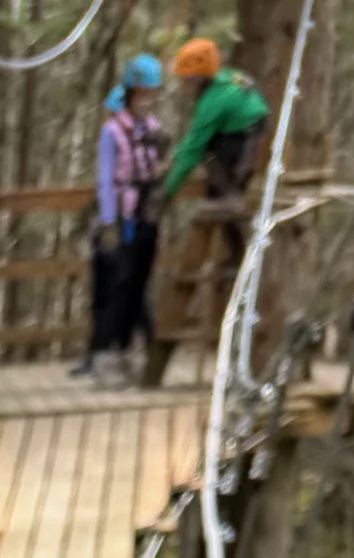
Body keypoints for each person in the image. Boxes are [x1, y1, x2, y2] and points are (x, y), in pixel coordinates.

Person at [83, 55, 168, 382]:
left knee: (139, 287)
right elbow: (106, 179)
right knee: (119, 286)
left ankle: (129, 352)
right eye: (143, 94)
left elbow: (156, 167)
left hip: (148, 213)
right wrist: (108, 222)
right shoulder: (112, 132)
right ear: (131, 93)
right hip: (123, 216)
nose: (149, 101)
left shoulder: (153, 130)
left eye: (152, 94)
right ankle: (106, 354)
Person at [161, 34, 271, 205]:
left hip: (242, 141)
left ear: (197, 80)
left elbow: (194, 149)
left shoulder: (212, 103)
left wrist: (167, 190)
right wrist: (174, 159)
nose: (182, 87)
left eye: (184, 81)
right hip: (248, 130)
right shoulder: (226, 77)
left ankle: (227, 191)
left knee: (218, 183)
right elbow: (192, 139)